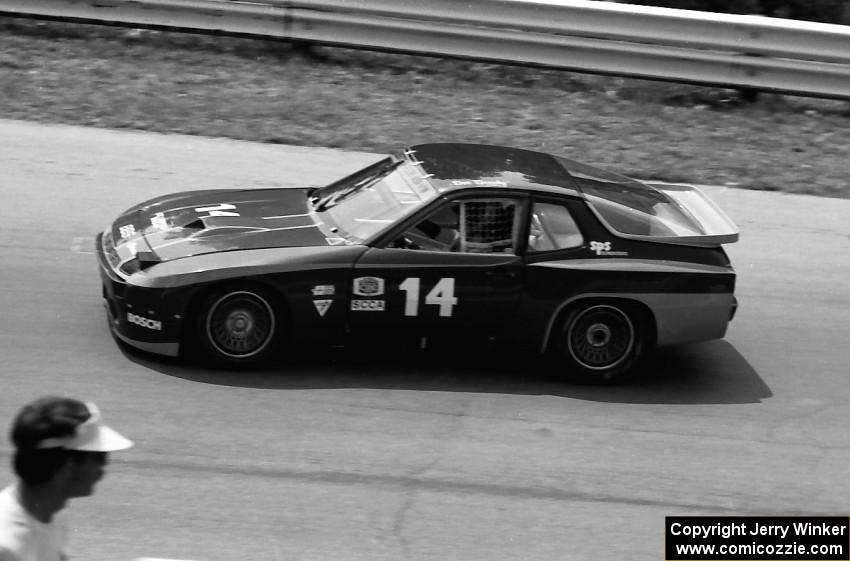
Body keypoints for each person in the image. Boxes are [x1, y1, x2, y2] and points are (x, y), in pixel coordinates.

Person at [0, 397, 133, 561]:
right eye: (100, 458)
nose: (103, 470)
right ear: (70, 465)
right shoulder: (6, 547)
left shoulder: (52, 514)